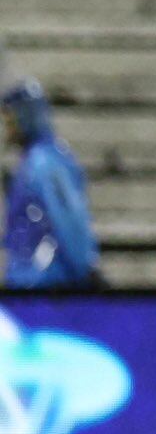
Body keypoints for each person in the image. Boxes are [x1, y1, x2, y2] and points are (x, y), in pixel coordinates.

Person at [2, 79, 101, 289]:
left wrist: (84, 269)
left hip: (49, 286)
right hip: (29, 283)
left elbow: (69, 219)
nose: (8, 129)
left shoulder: (45, 164)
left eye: (10, 120)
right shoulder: (32, 162)